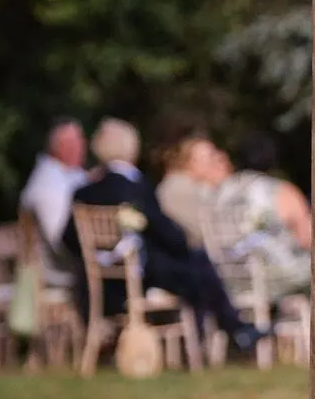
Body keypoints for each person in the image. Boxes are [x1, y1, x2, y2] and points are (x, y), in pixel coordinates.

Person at [64, 118, 268, 353]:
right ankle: (225, 334)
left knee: (196, 268)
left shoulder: (84, 191)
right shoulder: (135, 186)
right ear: (131, 148)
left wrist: (101, 259)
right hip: (140, 279)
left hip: (99, 283)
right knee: (197, 265)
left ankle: (229, 332)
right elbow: (165, 232)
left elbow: (68, 238)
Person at [212, 132, 312, 298]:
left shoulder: (219, 193)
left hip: (232, 280)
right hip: (277, 276)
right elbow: (306, 237)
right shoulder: (277, 190)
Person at [19, 118, 88, 265]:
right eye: (71, 143)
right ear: (56, 147)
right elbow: (60, 241)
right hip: (61, 269)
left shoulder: (74, 174)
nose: (80, 147)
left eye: (80, 140)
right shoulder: (47, 182)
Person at [157, 136, 225, 248]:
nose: (214, 163)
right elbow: (204, 230)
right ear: (189, 161)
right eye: (208, 158)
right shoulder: (178, 188)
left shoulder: (194, 186)